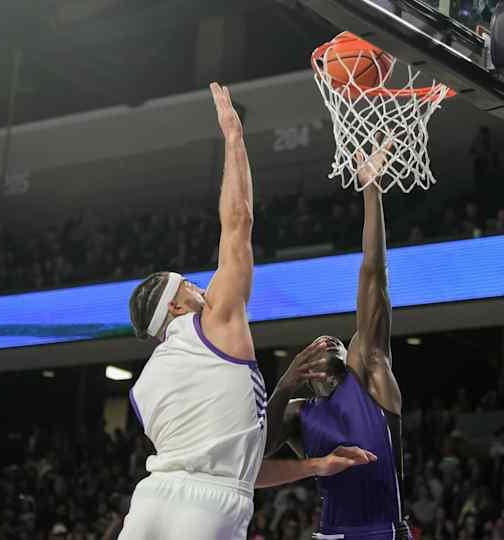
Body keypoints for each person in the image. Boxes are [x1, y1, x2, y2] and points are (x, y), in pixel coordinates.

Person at [122, 83, 371, 540]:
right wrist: (234, 139)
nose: (200, 286)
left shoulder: (144, 389)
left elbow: (239, 465)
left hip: (150, 501)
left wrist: (313, 465)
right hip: (209, 510)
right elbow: (238, 222)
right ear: (175, 305)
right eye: (188, 284)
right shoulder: (213, 321)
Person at [264, 136, 412, 539]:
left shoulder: (368, 373)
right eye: (316, 343)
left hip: (381, 531)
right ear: (304, 372)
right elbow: (257, 452)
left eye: (337, 342)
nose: (328, 340)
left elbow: (373, 275)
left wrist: (371, 192)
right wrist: (283, 385)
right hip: (329, 532)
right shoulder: (297, 412)